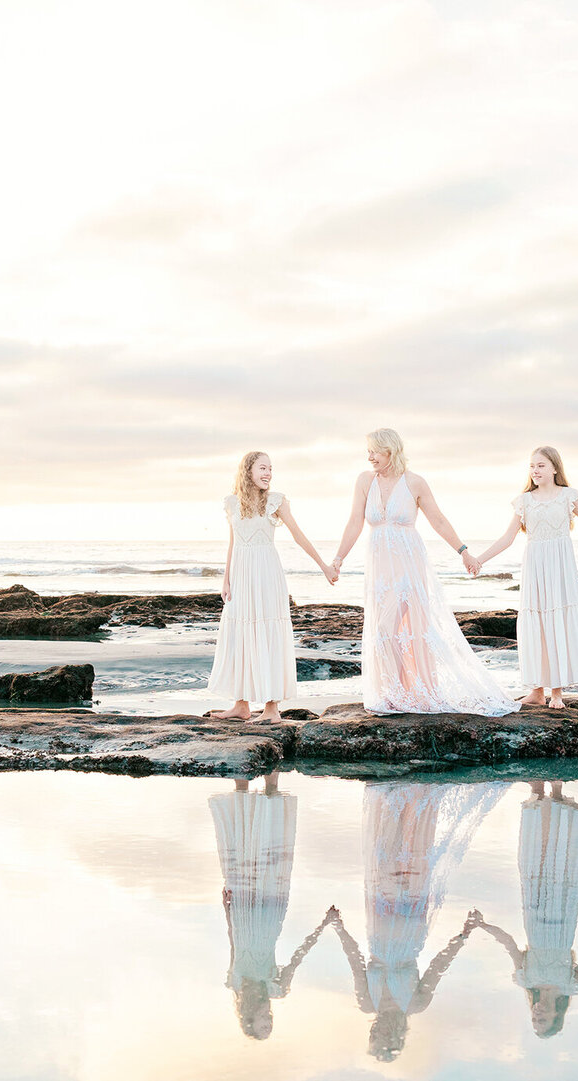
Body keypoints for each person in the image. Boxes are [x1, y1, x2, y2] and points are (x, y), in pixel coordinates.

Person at [329, 428, 518, 715]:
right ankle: (395, 692)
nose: (369, 457)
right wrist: (339, 558)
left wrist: (464, 551)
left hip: (408, 565)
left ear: (390, 450)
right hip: (379, 568)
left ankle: (409, 692)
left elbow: (438, 520)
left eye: (374, 451)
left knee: (402, 629)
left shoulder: (415, 482)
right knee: (384, 632)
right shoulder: (365, 481)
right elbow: (355, 520)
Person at [329, 781, 508, 1061]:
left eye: (377, 1038)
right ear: (398, 1038)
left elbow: (355, 960)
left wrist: (338, 927)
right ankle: (418, 795)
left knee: (384, 858)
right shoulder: (415, 1004)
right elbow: (438, 966)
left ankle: (389, 789)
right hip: (411, 927)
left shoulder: (367, 1003)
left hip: (379, 923)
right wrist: (463, 936)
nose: (381, 1034)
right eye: (386, 1040)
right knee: (412, 862)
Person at [466, 781, 578, 1038]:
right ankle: (557, 796)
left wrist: (482, 925)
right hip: (564, 916)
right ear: (556, 1016)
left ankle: (537, 793)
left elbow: (509, 944)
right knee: (562, 864)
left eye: (534, 1019)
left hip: (534, 915)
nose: (537, 1015)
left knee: (536, 860)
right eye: (543, 1019)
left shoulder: (525, 980)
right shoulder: (570, 985)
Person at [471, 447, 578, 707]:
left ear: (554, 468)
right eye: (532, 466)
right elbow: (507, 538)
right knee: (536, 622)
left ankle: (557, 693)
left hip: (560, 566)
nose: (535, 471)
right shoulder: (524, 500)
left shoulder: (568, 496)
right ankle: (537, 690)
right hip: (535, 566)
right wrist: (479, 560)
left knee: (558, 619)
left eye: (540, 465)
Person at [209, 451, 337, 721]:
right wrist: (226, 579)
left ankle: (271, 709)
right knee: (240, 635)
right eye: (262, 468)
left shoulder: (276, 501)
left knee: (268, 633)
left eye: (270, 469)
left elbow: (299, 536)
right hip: (242, 576)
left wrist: (325, 566)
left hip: (267, 574)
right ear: (248, 471)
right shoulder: (232, 503)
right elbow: (232, 543)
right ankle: (241, 705)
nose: (268, 473)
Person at [208, 773, 333, 1039]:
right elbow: (298, 956)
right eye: (270, 1023)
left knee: (242, 853)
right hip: (270, 915)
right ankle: (271, 782)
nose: (268, 1017)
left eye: (263, 1023)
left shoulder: (236, 983)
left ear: (250, 1018)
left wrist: (226, 909)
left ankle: (241, 781)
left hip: (242, 914)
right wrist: (325, 924)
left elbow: (233, 945)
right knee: (271, 855)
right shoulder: (276, 988)